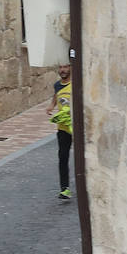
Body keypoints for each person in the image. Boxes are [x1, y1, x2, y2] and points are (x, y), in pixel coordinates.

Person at [49, 64, 72, 201]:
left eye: (65, 67)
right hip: (62, 128)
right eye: (60, 67)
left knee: (83, 158)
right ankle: (65, 189)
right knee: (63, 158)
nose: (62, 70)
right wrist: (51, 106)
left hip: (76, 127)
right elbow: (55, 96)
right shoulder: (57, 85)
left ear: (71, 68)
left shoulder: (76, 84)